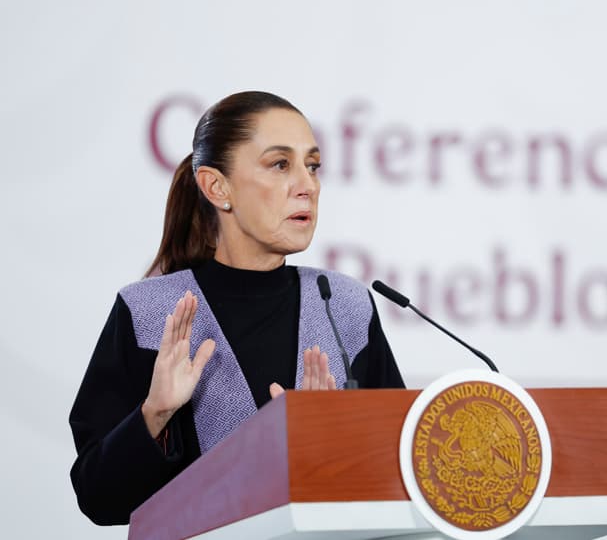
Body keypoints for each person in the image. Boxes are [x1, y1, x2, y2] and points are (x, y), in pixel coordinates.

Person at [69, 91, 405, 525]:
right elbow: (98, 500)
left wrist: (329, 444)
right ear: (217, 187)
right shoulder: (150, 314)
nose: (307, 185)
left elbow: (399, 479)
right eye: (280, 164)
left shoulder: (344, 308)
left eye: (312, 165)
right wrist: (156, 413)